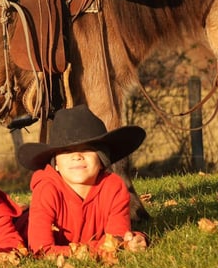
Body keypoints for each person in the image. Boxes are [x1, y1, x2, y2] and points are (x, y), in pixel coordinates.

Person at [16, 104, 148, 256]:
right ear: (56, 164)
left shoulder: (115, 188)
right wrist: (99, 247)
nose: (76, 156)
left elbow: (116, 239)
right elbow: (41, 249)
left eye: (86, 149)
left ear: (102, 159)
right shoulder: (46, 190)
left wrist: (134, 239)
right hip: (16, 229)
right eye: (66, 151)